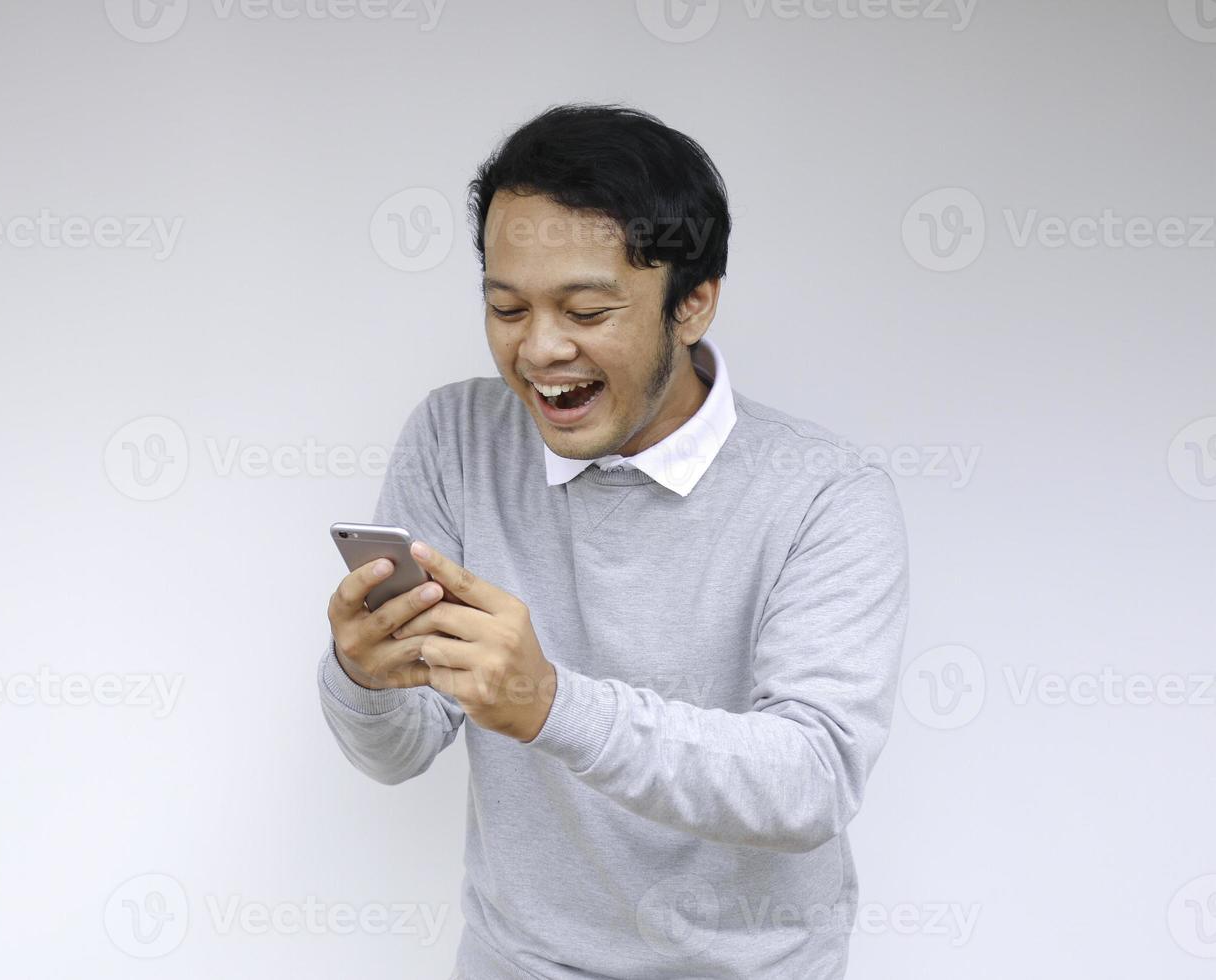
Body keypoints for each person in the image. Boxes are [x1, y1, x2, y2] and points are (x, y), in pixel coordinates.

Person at [317, 102, 910, 979]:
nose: (540, 349)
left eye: (588, 310)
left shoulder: (826, 496)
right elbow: (400, 750)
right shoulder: (456, 438)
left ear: (693, 304)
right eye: (506, 307)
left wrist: (552, 705)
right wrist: (364, 676)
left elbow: (811, 780)